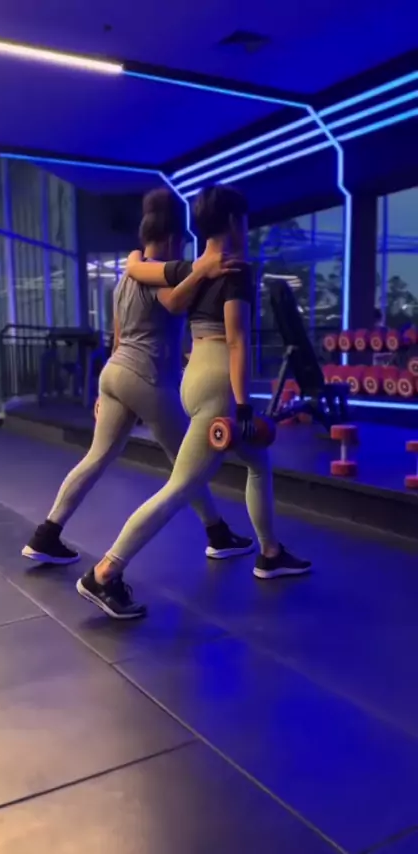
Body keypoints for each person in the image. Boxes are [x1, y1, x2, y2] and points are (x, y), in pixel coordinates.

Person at [77, 185, 311, 620]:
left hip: (192, 377)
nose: (245, 227)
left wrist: (141, 258)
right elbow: (237, 341)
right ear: (233, 222)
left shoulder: (190, 268)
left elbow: (138, 270)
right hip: (219, 382)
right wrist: (243, 406)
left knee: (258, 462)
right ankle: (105, 572)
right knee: (180, 486)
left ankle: (270, 552)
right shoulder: (237, 270)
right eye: (243, 221)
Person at [22, 188, 252, 566]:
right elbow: (174, 303)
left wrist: (105, 390)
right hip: (146, 376)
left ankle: (46, 533)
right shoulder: (160, 275)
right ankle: (215, 534)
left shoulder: (125, 278)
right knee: (186, 467)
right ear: (173, 239)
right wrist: (202, 271)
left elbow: (118, 336)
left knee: (98, 457)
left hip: (115, 372)